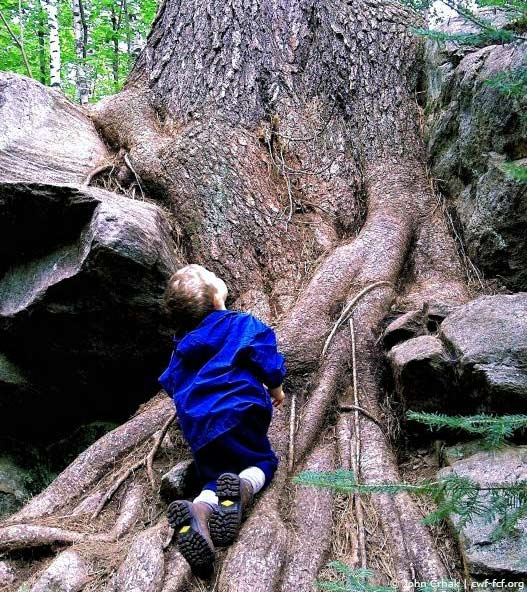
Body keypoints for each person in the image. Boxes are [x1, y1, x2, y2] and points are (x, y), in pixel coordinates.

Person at [158, 264, 286, 577]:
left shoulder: (182, 349)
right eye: (212, 277)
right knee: (262, 460)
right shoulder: (240, 324)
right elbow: (266, 355)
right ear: (217, 299)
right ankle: (243, 488)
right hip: (241, 412)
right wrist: (277, 388)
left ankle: (200, 513)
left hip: (200, 429)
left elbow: (171, 383)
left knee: (213, 476)